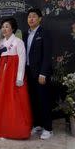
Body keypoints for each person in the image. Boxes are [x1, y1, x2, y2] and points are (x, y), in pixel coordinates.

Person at [0, 17, 32, 139]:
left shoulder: (18, 42)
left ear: (13, 28)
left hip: (13, 75)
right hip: (3, 75)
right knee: (2, 100)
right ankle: (2, 128)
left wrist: (19, 77)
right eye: (3, 26)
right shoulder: (1, 42)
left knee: (15, 101)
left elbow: (22, 60)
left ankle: (17, 129)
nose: (4, 29)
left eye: (7, 26)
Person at [24, 8, 53, 140]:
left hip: (41, 74)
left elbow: (47, 55)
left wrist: (43, 73)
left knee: (44, 101)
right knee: (33, 100)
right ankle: (38, 124)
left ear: (40, 18)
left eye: (34, 16)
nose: (31, 19)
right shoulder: (26, 34)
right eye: (29, 16)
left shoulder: (44, 33)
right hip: (29, 72)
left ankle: (48, 128)